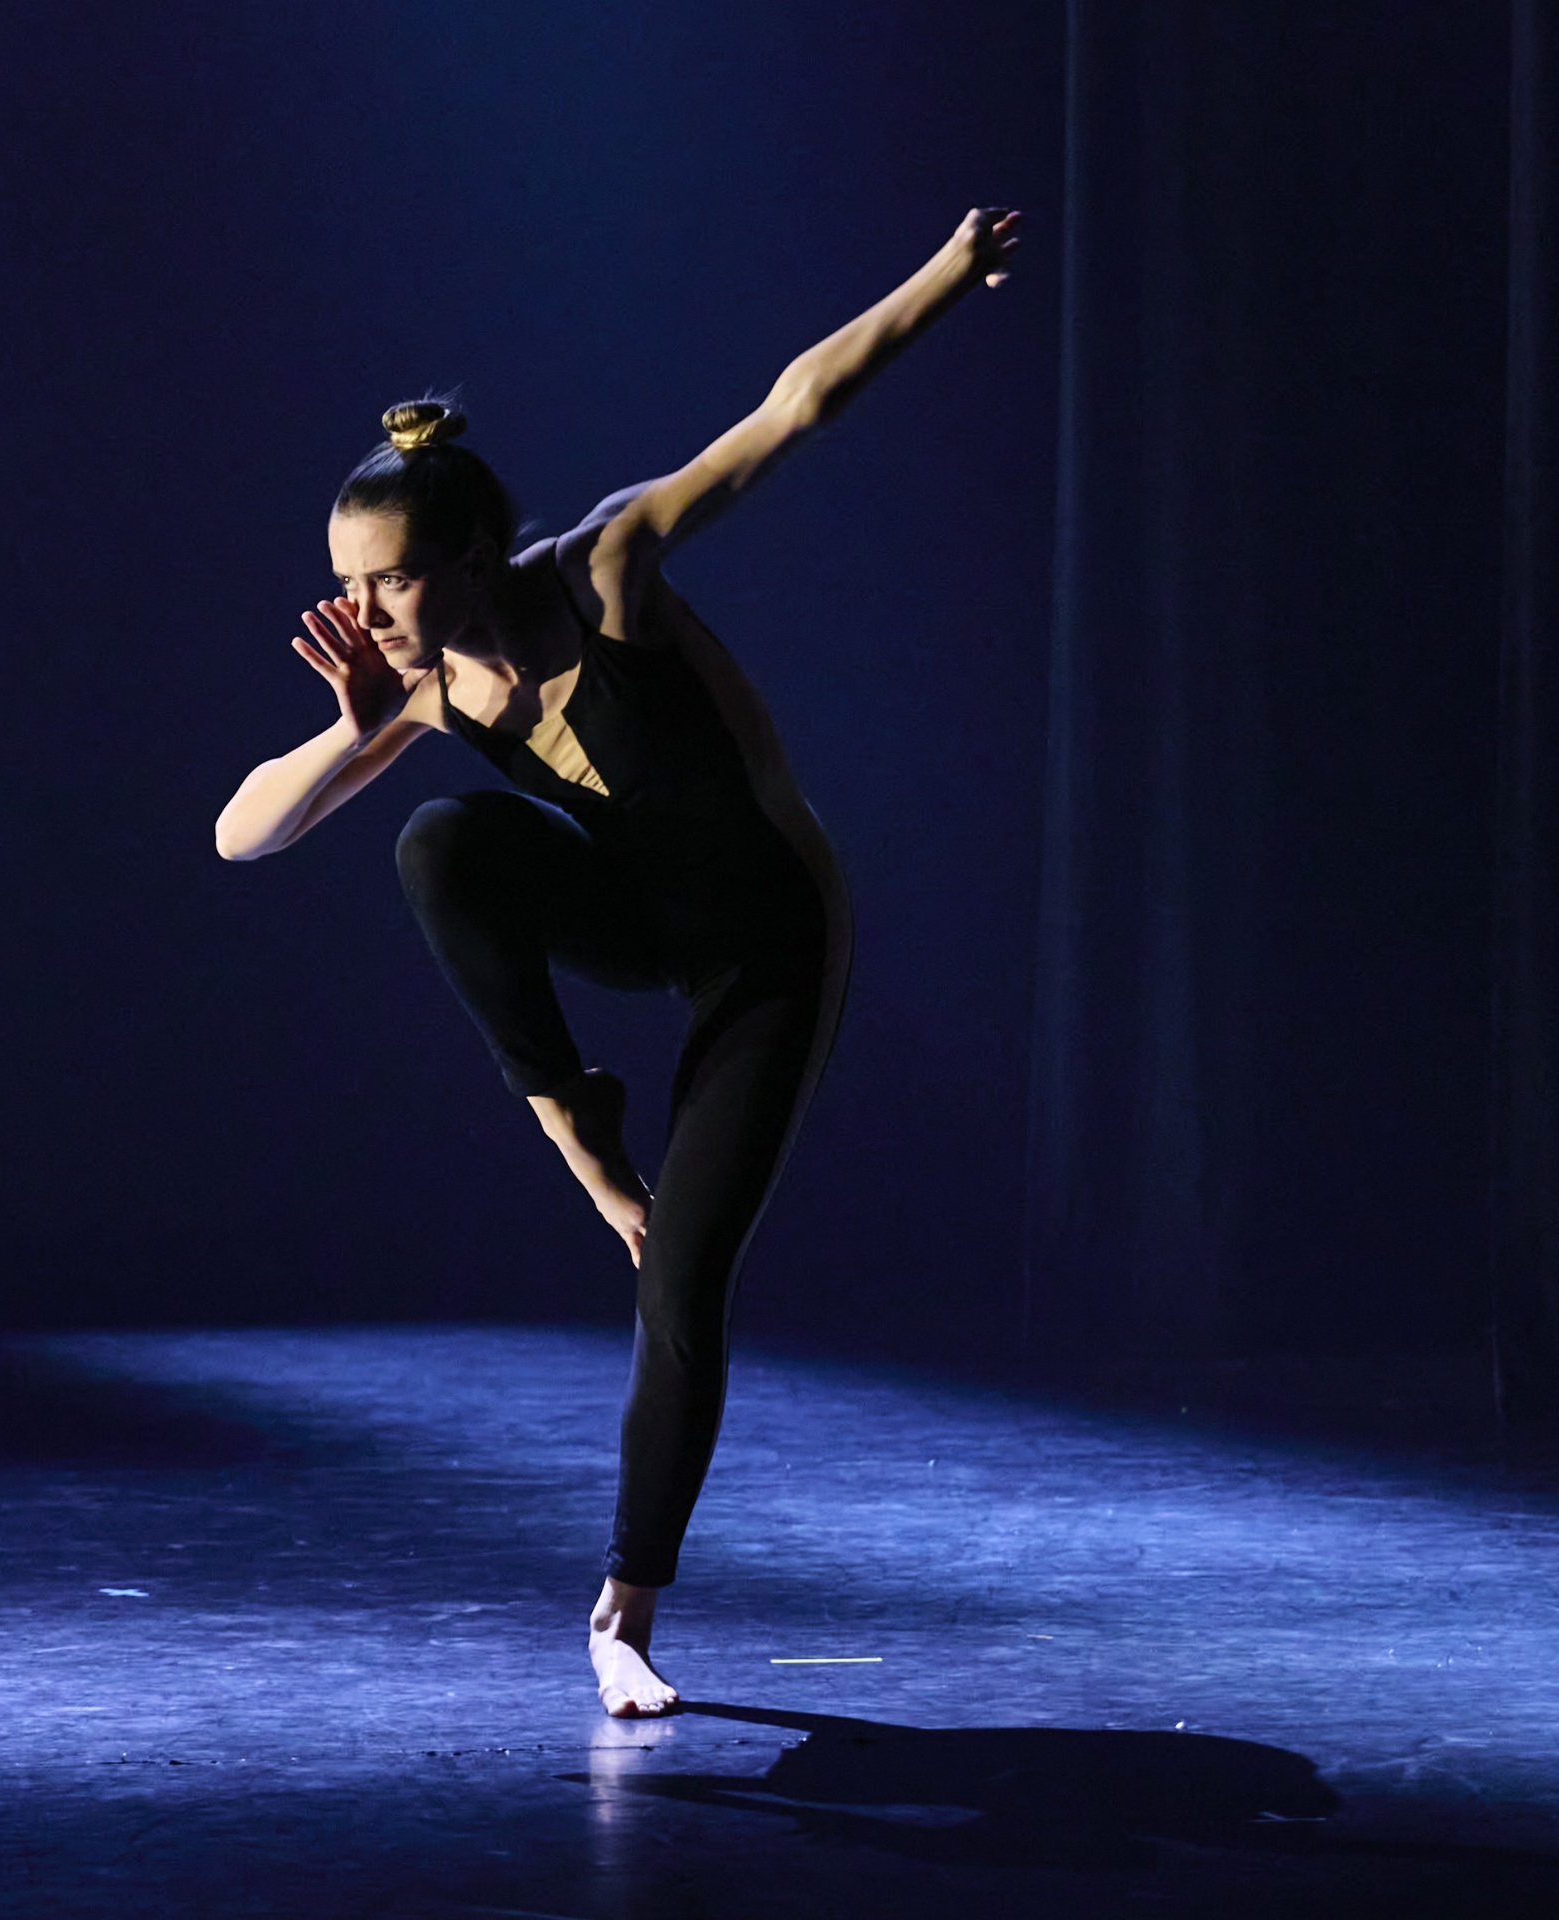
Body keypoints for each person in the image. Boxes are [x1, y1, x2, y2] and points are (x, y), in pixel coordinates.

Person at [216, 205, 1021, 1716]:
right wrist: (346, 730)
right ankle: (584, 1135)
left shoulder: (606, 570)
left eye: (386, 582)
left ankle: (624, 1610)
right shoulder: (422, 689)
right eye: (347, 584)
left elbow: (791, 410)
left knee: (686, 1282)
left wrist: (942, 276)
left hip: (768, 942)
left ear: (465, 555)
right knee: (436, 843)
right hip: (633, 922)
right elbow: (238, 841)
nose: (363, 613)